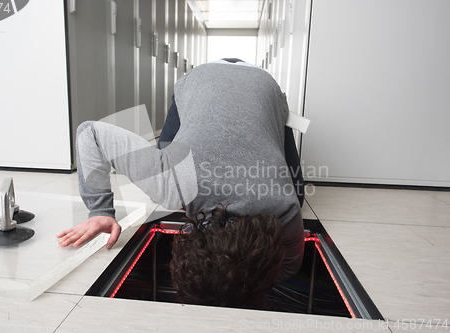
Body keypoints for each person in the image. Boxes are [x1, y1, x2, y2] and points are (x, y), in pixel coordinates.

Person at [57, 58, 305, 308]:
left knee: (298, 194)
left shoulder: (283, 207)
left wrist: (253, 282)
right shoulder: (172, 183)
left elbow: (289, 267)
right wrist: (100, 212)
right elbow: (90, 133)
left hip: (255, 82)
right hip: (228, 79)